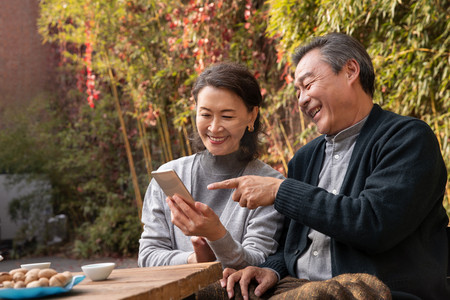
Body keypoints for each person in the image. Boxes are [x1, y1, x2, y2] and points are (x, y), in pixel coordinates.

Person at [208, 33, 450, 299]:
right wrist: (271, 270)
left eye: (308, 84)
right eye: (297, 91)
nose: (300, 100)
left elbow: (373, 224)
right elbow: (291, 245)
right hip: (300, 288)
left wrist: (281, 191)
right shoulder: (304, 158)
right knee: (215, 292)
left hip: (378, 291)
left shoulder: (407, 139)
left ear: (350, 71)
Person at [138, 62, 284, 270]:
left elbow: (259, 262)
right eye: (205, 114)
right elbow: (148, 256)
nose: (214, 128)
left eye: (227, 116)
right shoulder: (168, 176)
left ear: (251, 116)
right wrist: (196, 260)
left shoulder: (270, 185)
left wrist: (217, 235)